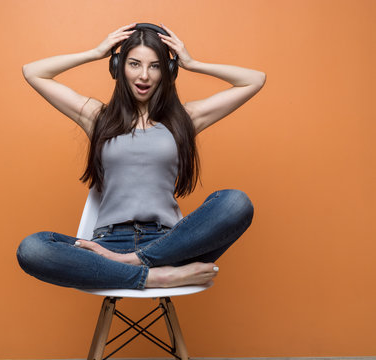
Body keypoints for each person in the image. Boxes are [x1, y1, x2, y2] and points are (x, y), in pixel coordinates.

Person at [17, 23, 266, 289]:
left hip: (169, 246)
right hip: (107, 245)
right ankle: (152, 277)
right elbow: (33, 73)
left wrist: (192, 63)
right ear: (118, 67)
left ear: (169, 71)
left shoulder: (185, 119)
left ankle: (136, 265)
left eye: (156, 66)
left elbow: (254, 80)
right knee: (32, 248)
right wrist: (95, 52)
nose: (144, 75)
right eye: (134, 64)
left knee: (236, 202)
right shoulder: (97, 117)